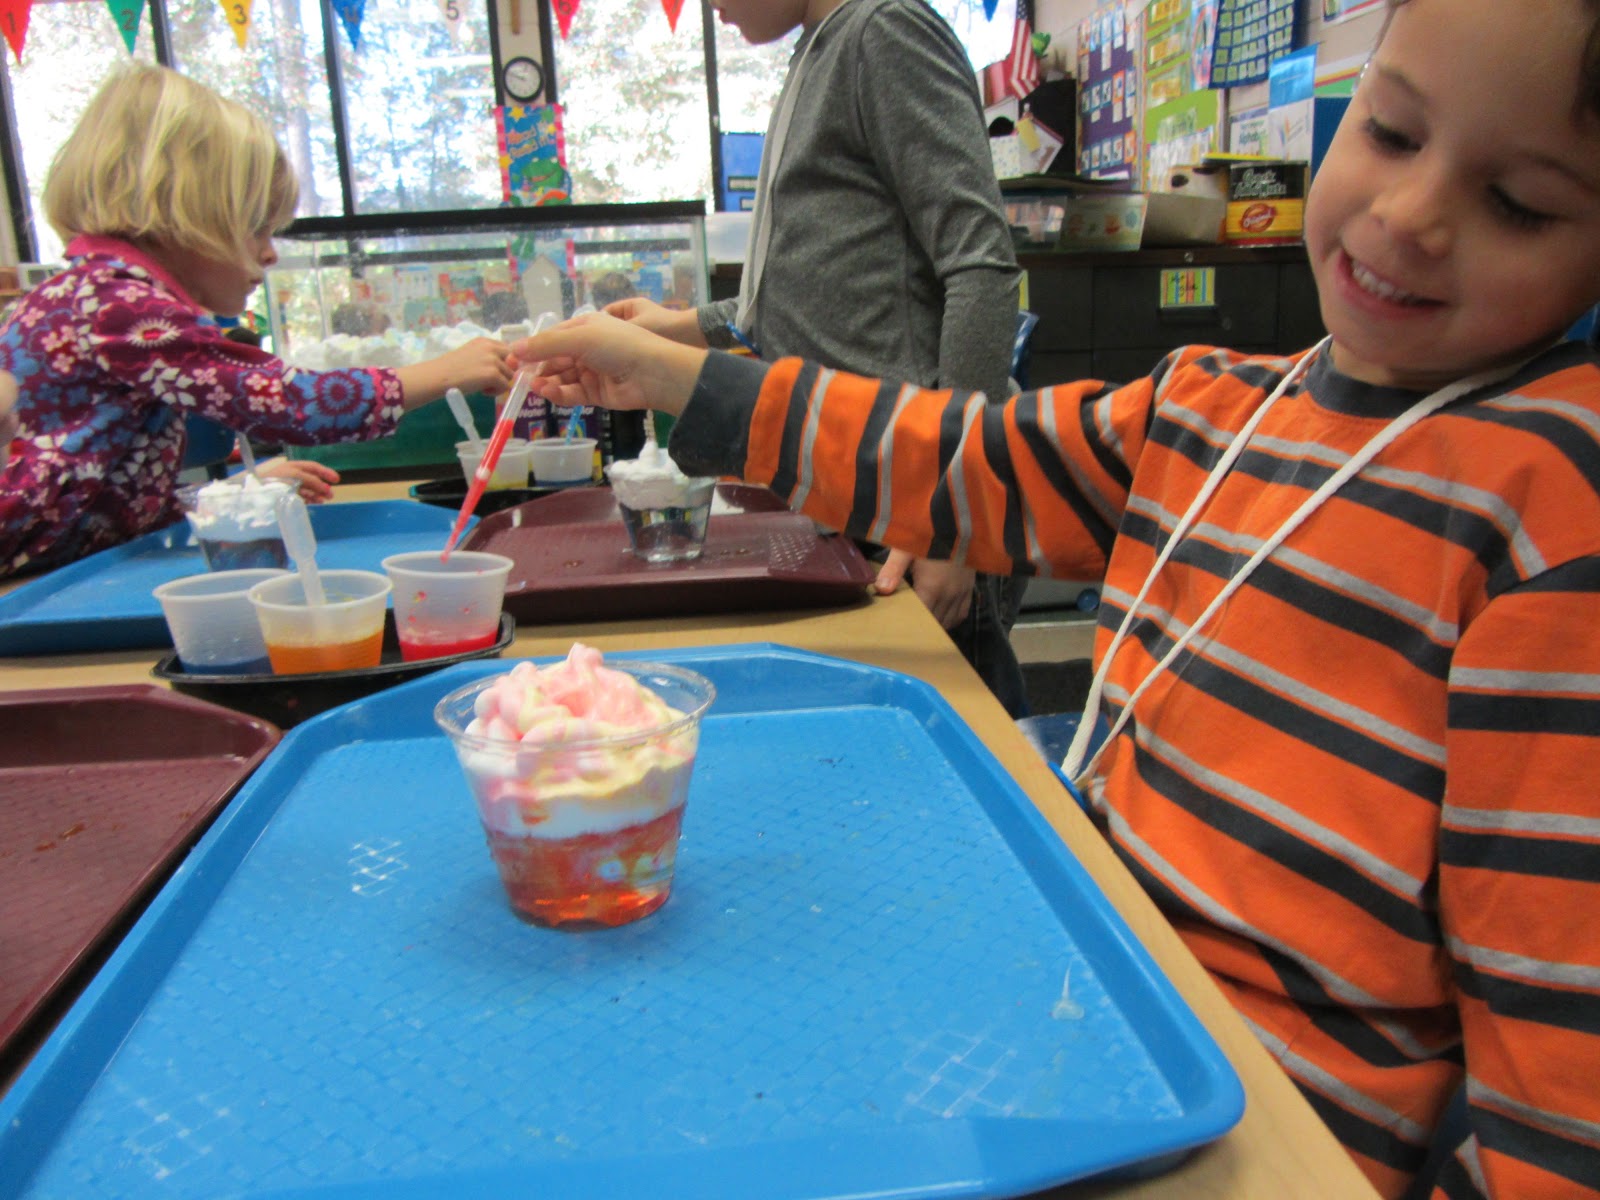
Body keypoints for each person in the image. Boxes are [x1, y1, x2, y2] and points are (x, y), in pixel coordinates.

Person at [510, 1, 1600, 1195]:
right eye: (1390, 132)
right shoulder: (1209, 405)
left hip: (1259, 1131)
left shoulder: (1554, 518)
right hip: (1084, 1006)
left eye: (1518, 203)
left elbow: (1561, 1085)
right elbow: (963, 457)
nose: (1408, 216)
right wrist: (677, 377)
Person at [607, 0, 1031, 715]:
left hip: (916, 500)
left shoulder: (883, 32)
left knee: (968, 727)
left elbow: (981, 268)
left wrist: (955, 519)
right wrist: (672, 327)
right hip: (851, 485)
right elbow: (796, 295)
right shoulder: (818, 50)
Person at [0, 64, 512, 579]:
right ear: (186, 219)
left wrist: (229, 494)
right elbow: (286, 403)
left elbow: (96, 490)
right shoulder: (121, 307)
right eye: (256, 229)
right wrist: (444, 372)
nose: (270, 254)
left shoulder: (85, 295)